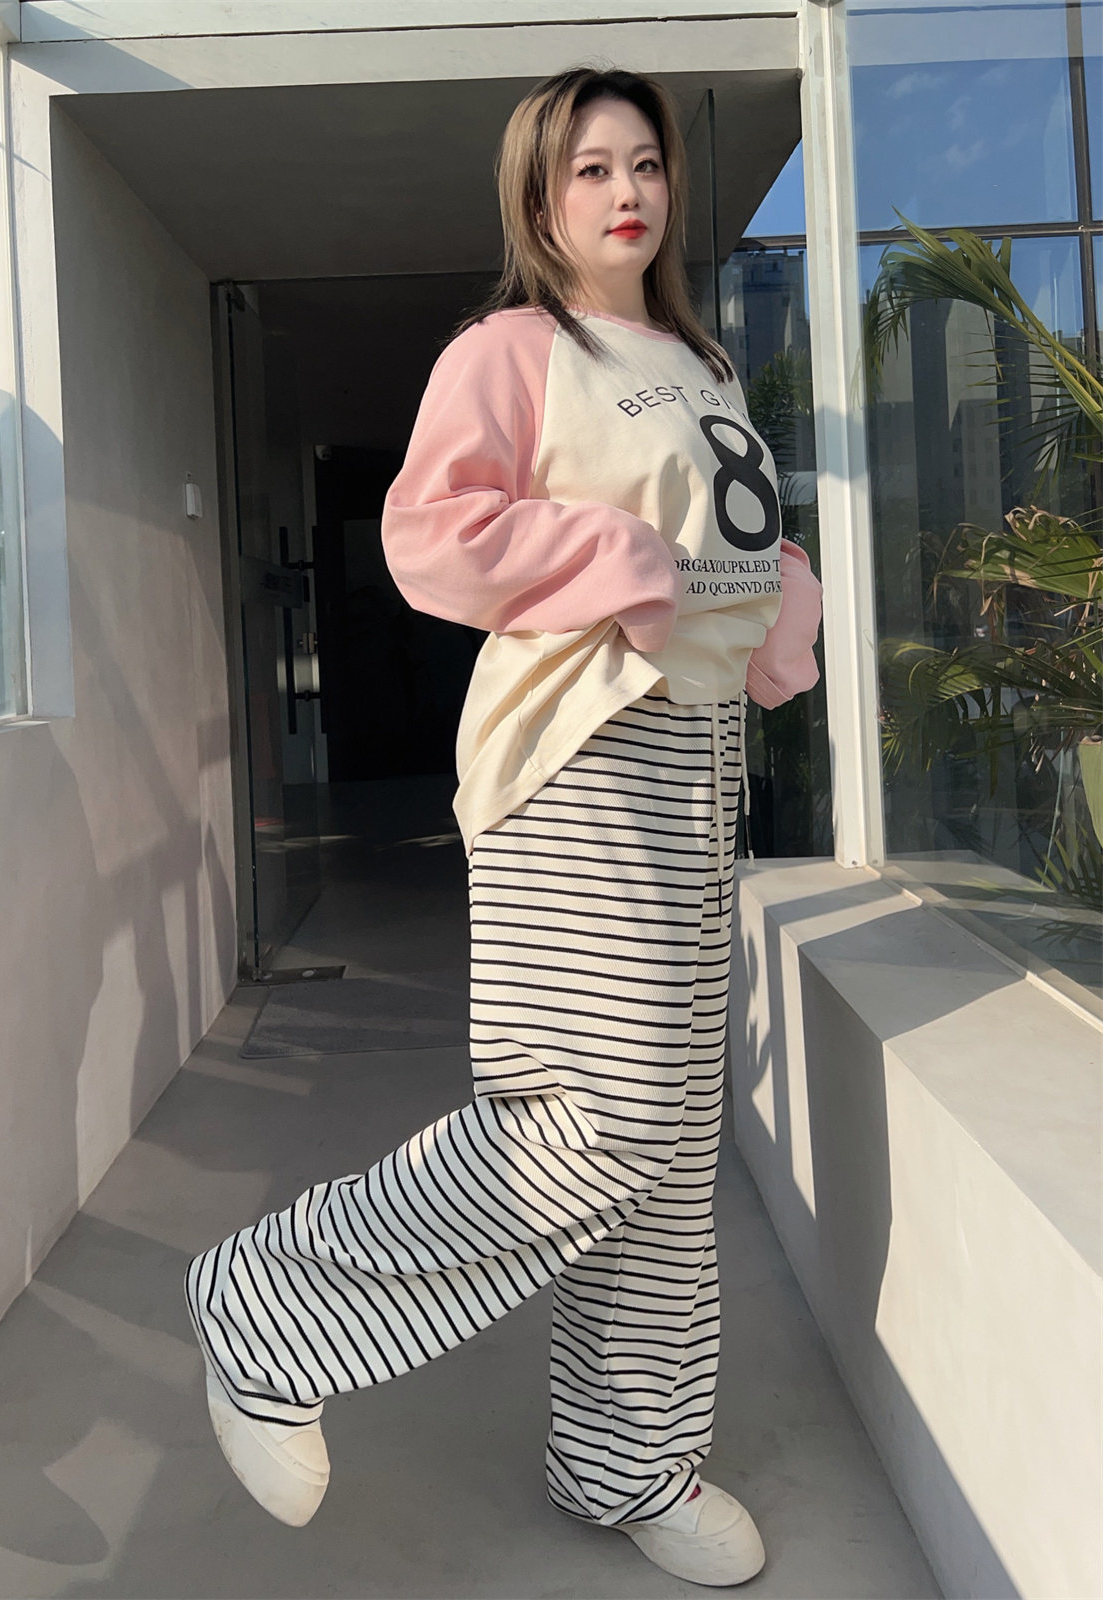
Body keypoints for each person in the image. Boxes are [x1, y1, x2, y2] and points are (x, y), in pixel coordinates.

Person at [185, 63, 820, 1588]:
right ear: (541, 200)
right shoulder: (513, 349)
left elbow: (728, 535)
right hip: (579, 752)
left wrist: (780, 593)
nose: (627, 190)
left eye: (646, 163)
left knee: (670, 1147)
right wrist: (621, 558)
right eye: (591, 167)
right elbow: (432, 532)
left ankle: (629, 1458)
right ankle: (269, 1307)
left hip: (697, 758)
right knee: (590, 1118)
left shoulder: (702, 362)